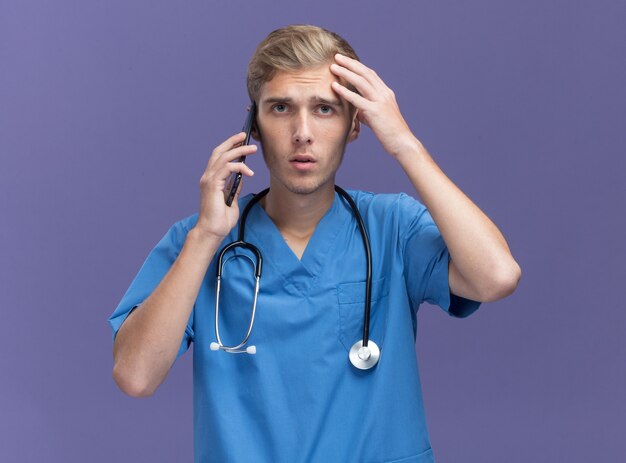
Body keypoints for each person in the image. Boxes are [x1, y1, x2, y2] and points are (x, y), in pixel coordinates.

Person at [108, 24, 521, 463]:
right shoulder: (199, 243)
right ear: (254, 125)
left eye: (325, 109)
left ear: (355, 125)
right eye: (281, 108)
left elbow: (496, 276)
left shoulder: (391, 228)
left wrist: (405, 144)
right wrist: (206, 238)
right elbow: (136, 377)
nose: (302, 132)